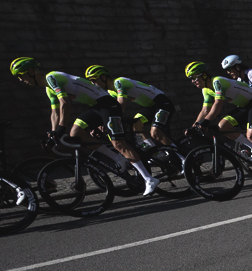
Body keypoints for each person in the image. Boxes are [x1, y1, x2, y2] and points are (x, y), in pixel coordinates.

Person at [10, 57, 158, 195]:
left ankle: (149, 179)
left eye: (21, 75)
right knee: (76, 133)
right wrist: (54, 132)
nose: (21, 80)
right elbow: (55, 112)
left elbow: (65, 104)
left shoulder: (52, 78)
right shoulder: (49, 88)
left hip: (108, 105)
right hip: (95, 107)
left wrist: (61, 129)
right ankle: (118, 159)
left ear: (31, 71)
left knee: (119, 143)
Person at [185, 61, 252, 181]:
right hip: (244, 107)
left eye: (194, 78)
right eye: (191, 79)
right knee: (223, 126)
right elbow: (205, 110)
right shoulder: (206, 90)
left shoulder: (217, 81)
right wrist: (194, 126)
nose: (193, 81)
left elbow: (218, 103)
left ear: (203, 75)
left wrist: (207, 121)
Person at [83, 65, 177, 149]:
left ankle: (181, 157)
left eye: (93, 80)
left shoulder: (119, 82)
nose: (93, 84)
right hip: (151, 107)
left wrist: (108, 122)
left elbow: (121, 105)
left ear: (103, 77)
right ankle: (153, 151)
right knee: (136, 125)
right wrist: (99, 124)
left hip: (162, 103)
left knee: (156, 133)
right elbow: (109, 111)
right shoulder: (111, 92)